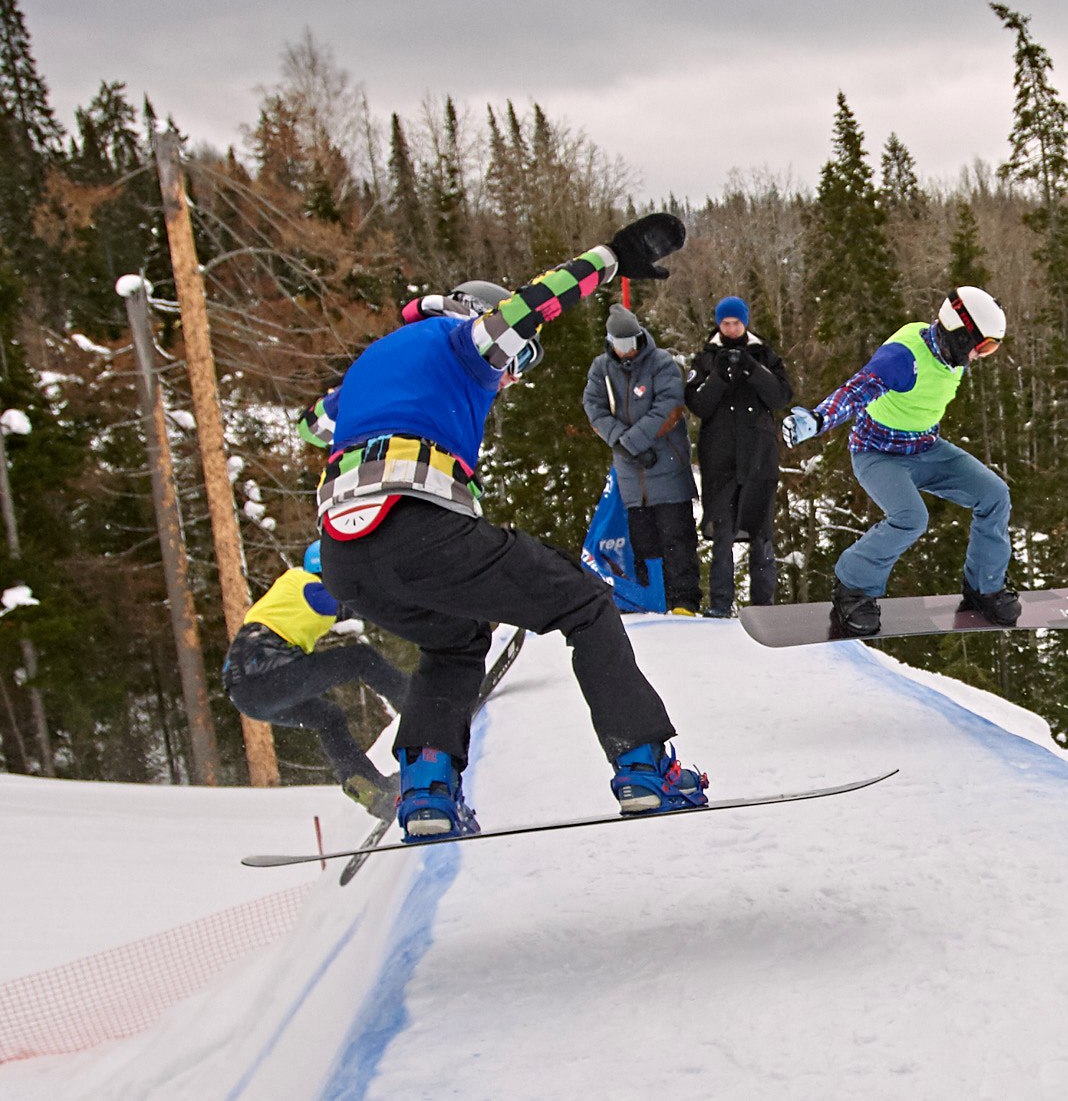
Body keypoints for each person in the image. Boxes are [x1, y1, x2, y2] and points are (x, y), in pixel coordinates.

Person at [298, 213, 708, 841]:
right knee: (586, 603)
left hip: (345, 556)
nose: (509, 378)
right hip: (419, 522)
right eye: (515, 364)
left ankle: (429, 792)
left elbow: (310, 423)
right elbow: (527, 309)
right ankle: (645, 766)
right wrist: (610, 259)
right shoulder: (460, 343)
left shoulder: (366, 367)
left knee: (455, 640)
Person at [782, 287, 1016, 637]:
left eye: (991, 348)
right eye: (983, 347)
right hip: (878, 454)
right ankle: (854, 587)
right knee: (911, 518)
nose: (982, 356)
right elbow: (856, 391)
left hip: (925, 448)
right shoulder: (904, 358)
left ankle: (985, 587)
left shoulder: (950, 354)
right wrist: (817, 420)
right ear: (961, 334)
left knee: (994, 494)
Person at [223, 541, 408, 819]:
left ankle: (367, 785)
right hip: (264, 673)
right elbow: (357, 606)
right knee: (360, 657)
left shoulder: (292, 594)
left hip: (246, 696)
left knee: (328, 717)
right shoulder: (306, 584)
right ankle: (418, 706)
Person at [583, 305, 702, 615]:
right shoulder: (601, 369)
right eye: (620, 345)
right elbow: (594, 409)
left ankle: (684, 601)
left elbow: (669, 407)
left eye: (631, 343)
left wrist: (633, 442)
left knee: (678, 537)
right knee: (643, 540)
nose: (627, 351)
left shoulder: (661, 363)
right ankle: (653, 598)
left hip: (667, 467)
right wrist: (623, 444)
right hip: (631, 475)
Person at [686, 296, 792, 617]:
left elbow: (781, 396)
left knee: (761, 535)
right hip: (720, 460)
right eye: (725, 323)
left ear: (745, 322)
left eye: (736, 322)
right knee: (722, 535)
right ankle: (720, 603)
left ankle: (764, 607)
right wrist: (718, 375)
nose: (731, 329)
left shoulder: (765, 353)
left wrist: (753, 369)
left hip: (759, 458)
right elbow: (698, 405)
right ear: (718, 324)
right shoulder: (704, 358)